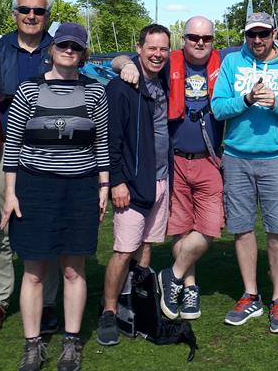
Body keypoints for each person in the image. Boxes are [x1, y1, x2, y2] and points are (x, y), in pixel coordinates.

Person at [112, 17, 278, 321]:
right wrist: (124, 65)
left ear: (213, 40)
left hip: (210, 159)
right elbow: (127, 57)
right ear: (181, 38)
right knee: (181, 227)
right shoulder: (165, 60)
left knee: (211, 226)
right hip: (175, 160)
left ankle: (171, 274)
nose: (200, 43)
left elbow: (260, 44)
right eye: (193, 37)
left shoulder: (223, 59)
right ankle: (189, 286)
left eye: (206, 38)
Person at [0, 23, 109, 371]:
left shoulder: (95, 92)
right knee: (33, 271)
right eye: (63, 45)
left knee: (74, 270)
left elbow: (102, 143)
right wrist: (11, 194)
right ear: (52, 48)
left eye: (76, 47)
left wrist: (103, 186)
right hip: (35, 187)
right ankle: (33, 344)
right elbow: (13, 145)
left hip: (80, 186)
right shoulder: (28, 90)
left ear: (84, 53)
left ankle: (71, 342)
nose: (69, 51)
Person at [211, 11, 278, 333]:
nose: (257, 40)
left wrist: (276, 103)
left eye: (264, 34)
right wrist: (247, 98)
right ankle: (251, 294)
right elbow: (218, 107)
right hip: (237, 156)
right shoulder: (231, 63)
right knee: (242, 228)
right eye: (252, 34)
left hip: (277, 157)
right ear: (245, 35)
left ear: (274, 33)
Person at [0, 0, 60, 335]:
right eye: (25, 10)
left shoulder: (59, 49)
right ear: (14, 14)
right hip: (4, 153)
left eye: (38, 11)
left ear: (46, 16)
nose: (31, 16)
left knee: (50, 227)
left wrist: (122, 64)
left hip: (51, 154)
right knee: (2, 229)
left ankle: (49, 302)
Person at [96, 24, 173, 346]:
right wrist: (118, 181)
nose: (157, 54)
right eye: (151, 48)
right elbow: (110, 139)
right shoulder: (122, 86)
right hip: (132, 180)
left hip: (161, 179)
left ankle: (138, 300)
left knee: (146, 246)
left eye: (163, 49)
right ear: (138, 48)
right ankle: (109, 310)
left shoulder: (167, 80)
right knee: (123, 250)